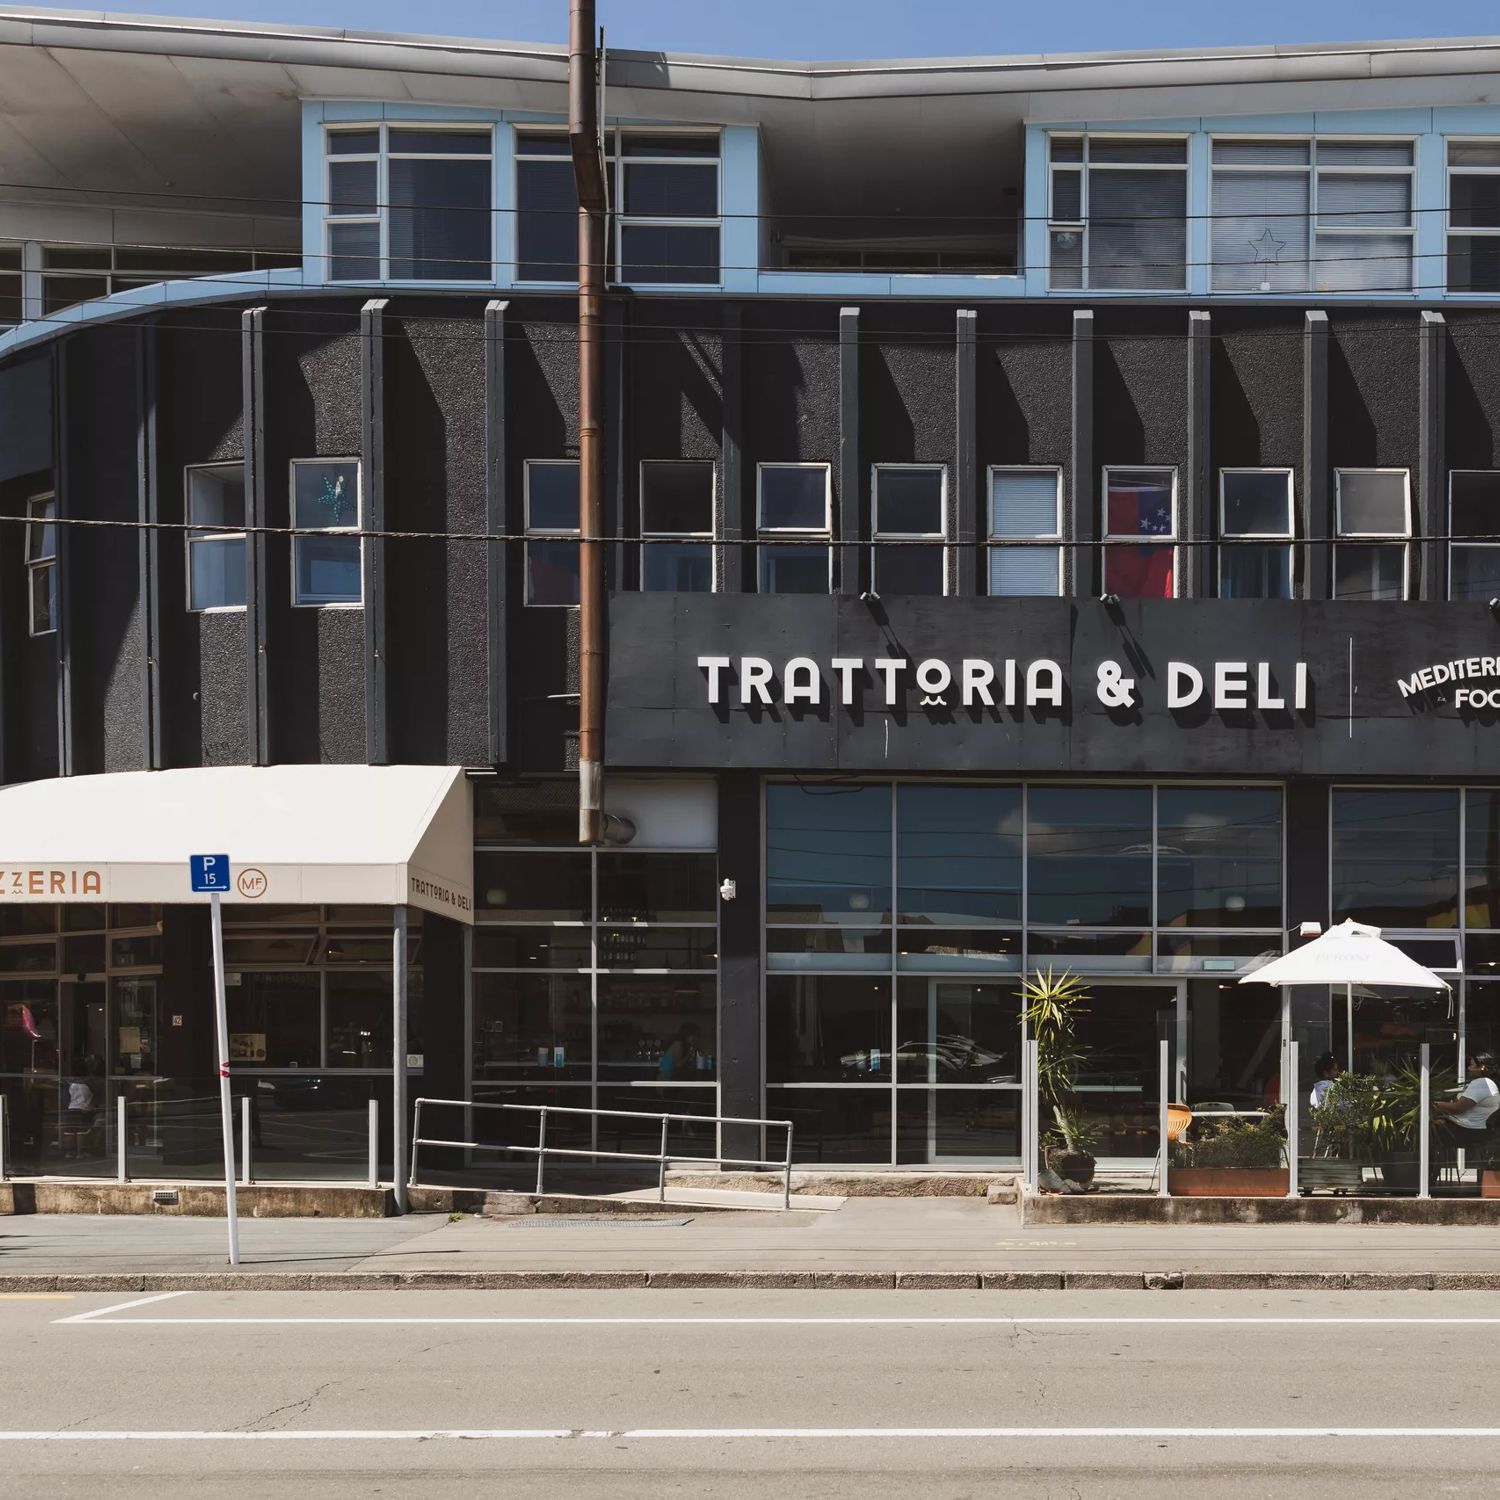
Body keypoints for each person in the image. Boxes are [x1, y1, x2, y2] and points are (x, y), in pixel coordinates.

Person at [1434, 1052, 1500, 1134]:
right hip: (1474, 1126)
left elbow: (1457, 1108)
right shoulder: (1489, 1083)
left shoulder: (1482, 1083)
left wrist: (1434, 1104)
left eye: (1472, 1065)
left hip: (1466, 1128)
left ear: (1481, 1067)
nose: (1469, 1068)